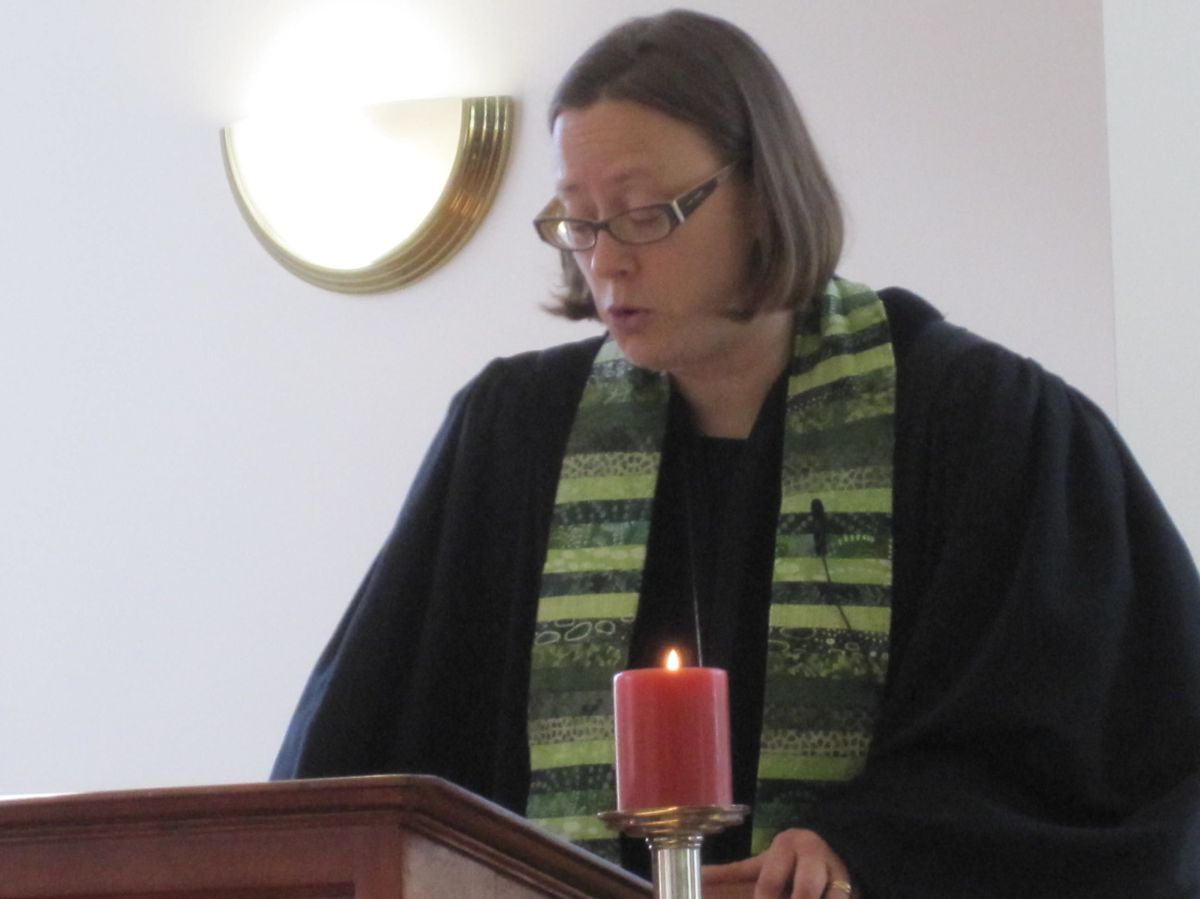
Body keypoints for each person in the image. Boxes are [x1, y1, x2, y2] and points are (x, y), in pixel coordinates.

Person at [271, 10, 1200, 898]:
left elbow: (1094, 753)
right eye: (578, 220)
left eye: (643, 212)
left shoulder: (981, 425)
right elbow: (362, 769)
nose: (606, 261)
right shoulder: (514, 437)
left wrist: (867, 849)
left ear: (761, 195)